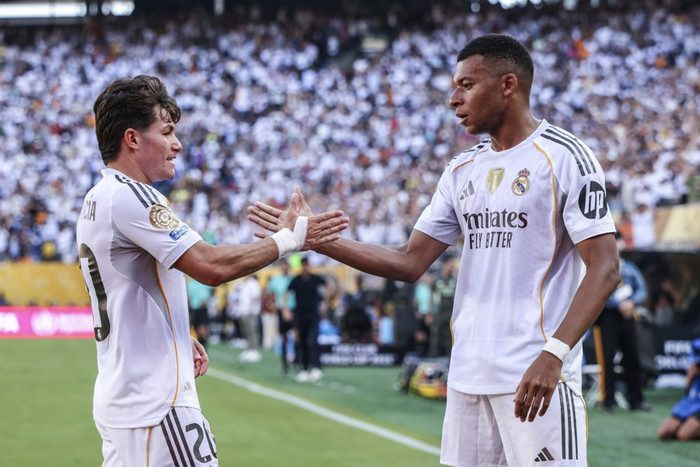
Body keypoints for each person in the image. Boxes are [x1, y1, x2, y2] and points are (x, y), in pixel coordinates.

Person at [249, 34, 620, 466]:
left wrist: (554, 353)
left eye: (467, 85)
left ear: (508, 85)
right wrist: (313, 239)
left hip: (535, 374)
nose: (453, 99)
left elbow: (606, 267)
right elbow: (409, 261)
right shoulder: (462, 169)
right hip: (467, 375)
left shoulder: (565, 157)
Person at [76, 75, 347, 466]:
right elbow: (210, 266)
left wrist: (172, 335)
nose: (177, 144)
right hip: (158, 406)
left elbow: (125, 289)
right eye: (166, 132)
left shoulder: (97, 198)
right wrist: (289, 239)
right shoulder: (132, 196)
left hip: (123, 400)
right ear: (132, 139)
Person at [596, 233, 650, 412]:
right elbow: (599, 290)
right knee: (608, 358)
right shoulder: (601, 266)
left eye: (619, 241)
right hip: (609, 316)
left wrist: (631, 302)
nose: (618, 245)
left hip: (628, 316)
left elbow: (642, 288)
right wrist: (618, 304)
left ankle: (635, 399)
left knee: (632, 357)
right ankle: (608, 400)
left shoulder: (629, 267)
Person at [285, 257, 326, 383]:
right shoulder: (296, 280)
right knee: (301, 341)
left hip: (313, 314)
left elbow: (328, 286)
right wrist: (286, 309)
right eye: (303, 265)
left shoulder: (315, 279)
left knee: (312, 340)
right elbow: (287, 293)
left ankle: (316, 367)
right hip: (300, 314)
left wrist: (325, 302)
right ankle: (304, 368)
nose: (305, 267)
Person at [657, 333, 700, 441]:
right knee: (664, 433)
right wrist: (690, 376)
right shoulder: (696, 345)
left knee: (684, 435)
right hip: (692, 400)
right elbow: (688, 390)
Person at [267, 258, 295, 373]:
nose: (284, 267)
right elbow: (269, 293)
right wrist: (271, 304)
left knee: (296, 337)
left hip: (294, 310)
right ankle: (285, 364)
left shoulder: (294, 279)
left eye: (286, 265)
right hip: (281, 310)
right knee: (283, 338)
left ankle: (297, 363)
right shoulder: (276, 280)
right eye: (282, 265)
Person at [429, 257, 457, 358]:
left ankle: (450, 359)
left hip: (451, 312)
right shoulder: (436, 280)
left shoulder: (455, 280)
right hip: (439, 311)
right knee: (436, 336)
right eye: (450, 263)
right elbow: (431, 297)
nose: (452, 266)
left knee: (451, 337)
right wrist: (429, 313)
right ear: (444, 264)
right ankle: (433, 358)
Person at [234, 274, 263, 362]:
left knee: (252, 331)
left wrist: (252, 308)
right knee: (247, 332)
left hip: (251, 312)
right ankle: (249, 349)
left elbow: (256, 297)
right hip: (245, 312)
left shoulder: (253, 283)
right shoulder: (246, 283)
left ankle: (254, 350)